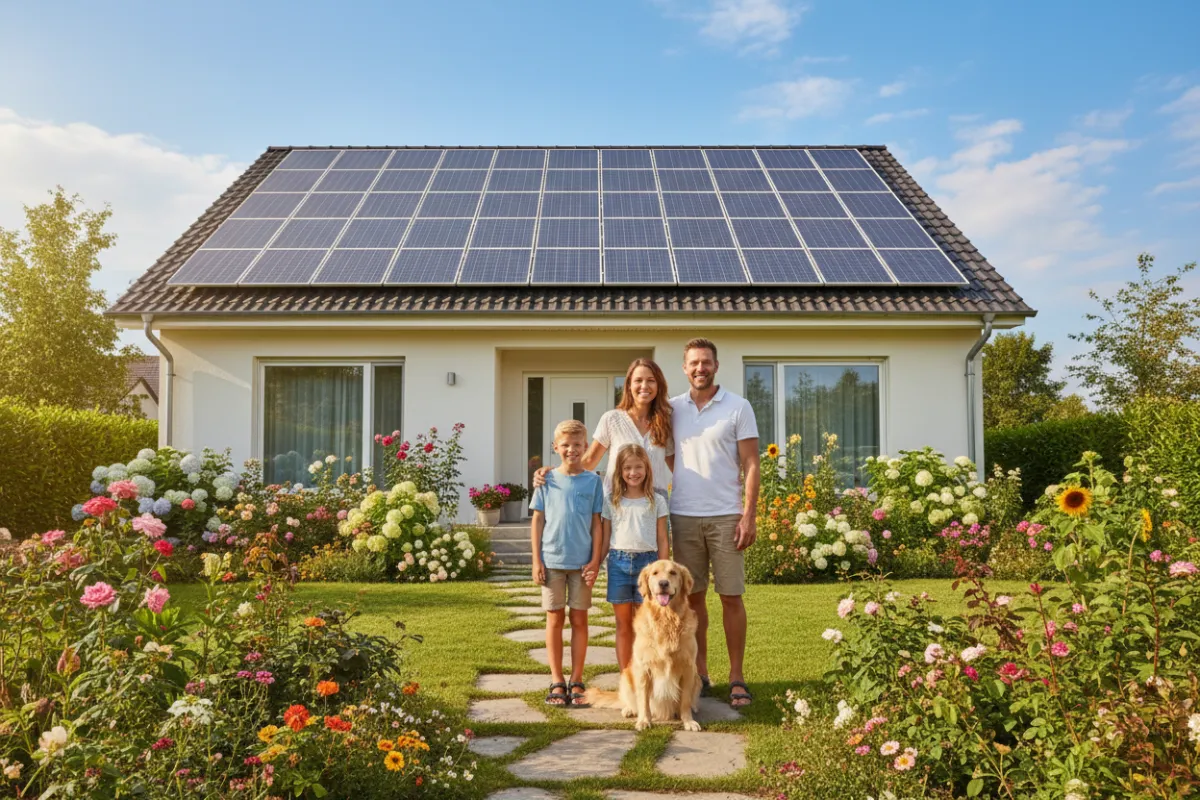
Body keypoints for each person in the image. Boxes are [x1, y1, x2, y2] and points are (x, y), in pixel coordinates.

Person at [669, 338, 760, 708]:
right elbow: (667, 455)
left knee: (731, 596)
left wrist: (748, 514)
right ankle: (700, 673)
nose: (700, 368)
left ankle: (736, 676)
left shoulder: (738, 407)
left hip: (726, 515)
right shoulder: (673, 408)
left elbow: (752, 463)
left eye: (706, 362)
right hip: (684, 515)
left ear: (716, 366)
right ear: (685, 367)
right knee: (693, 598)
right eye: (693, 363)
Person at [529, 419, 604, 707]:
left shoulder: (593, 481)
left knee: (580, 619)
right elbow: (537, 521)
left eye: (577, 445)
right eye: (565, 445)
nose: (571, 450)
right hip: (552, 562)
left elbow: (597, 524)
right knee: (554, 619)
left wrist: (595, 560)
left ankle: (577, 679)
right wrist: (537, 560)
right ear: (555, 447)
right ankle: (557, 680)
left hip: (582, 563)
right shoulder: (546, 480)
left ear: (586, 447)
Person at [534, 358, 674, 502]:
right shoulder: (612, 419)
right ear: (629, 385)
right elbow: (588, 461)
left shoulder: (665, 422)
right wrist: (555, 473)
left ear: (658, 385)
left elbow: (676, 466)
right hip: (618, 502)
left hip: (655, 504)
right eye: (638, 380)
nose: (644, 386)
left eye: (651, 380)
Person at [598, 444, 670, 670]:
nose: (633, 472)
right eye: (627, 468)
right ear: (620, 471)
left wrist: (663, 573)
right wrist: (595, 564)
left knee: (646, 624)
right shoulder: (611, 501)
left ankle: (645, 672)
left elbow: (662, 539)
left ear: (647, 469)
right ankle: (625, 676)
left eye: (638, 467)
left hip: (647, 566)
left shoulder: (656, 501)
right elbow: (605, 537)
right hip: (618, 565)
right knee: (623, 625)